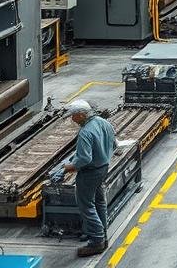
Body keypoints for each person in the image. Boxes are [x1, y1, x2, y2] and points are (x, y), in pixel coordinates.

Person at [63, 100, 116, 257]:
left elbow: (85, 159)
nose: (72, 119)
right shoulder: (104, 123)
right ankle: (103, 236)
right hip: (103, 168)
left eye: (73, 116)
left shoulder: (85, 132)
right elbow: (114, 144)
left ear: (81, 115)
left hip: (90, 173)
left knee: (86, 206)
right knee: (99, 202)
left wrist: (69, 167)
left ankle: (96, 241)